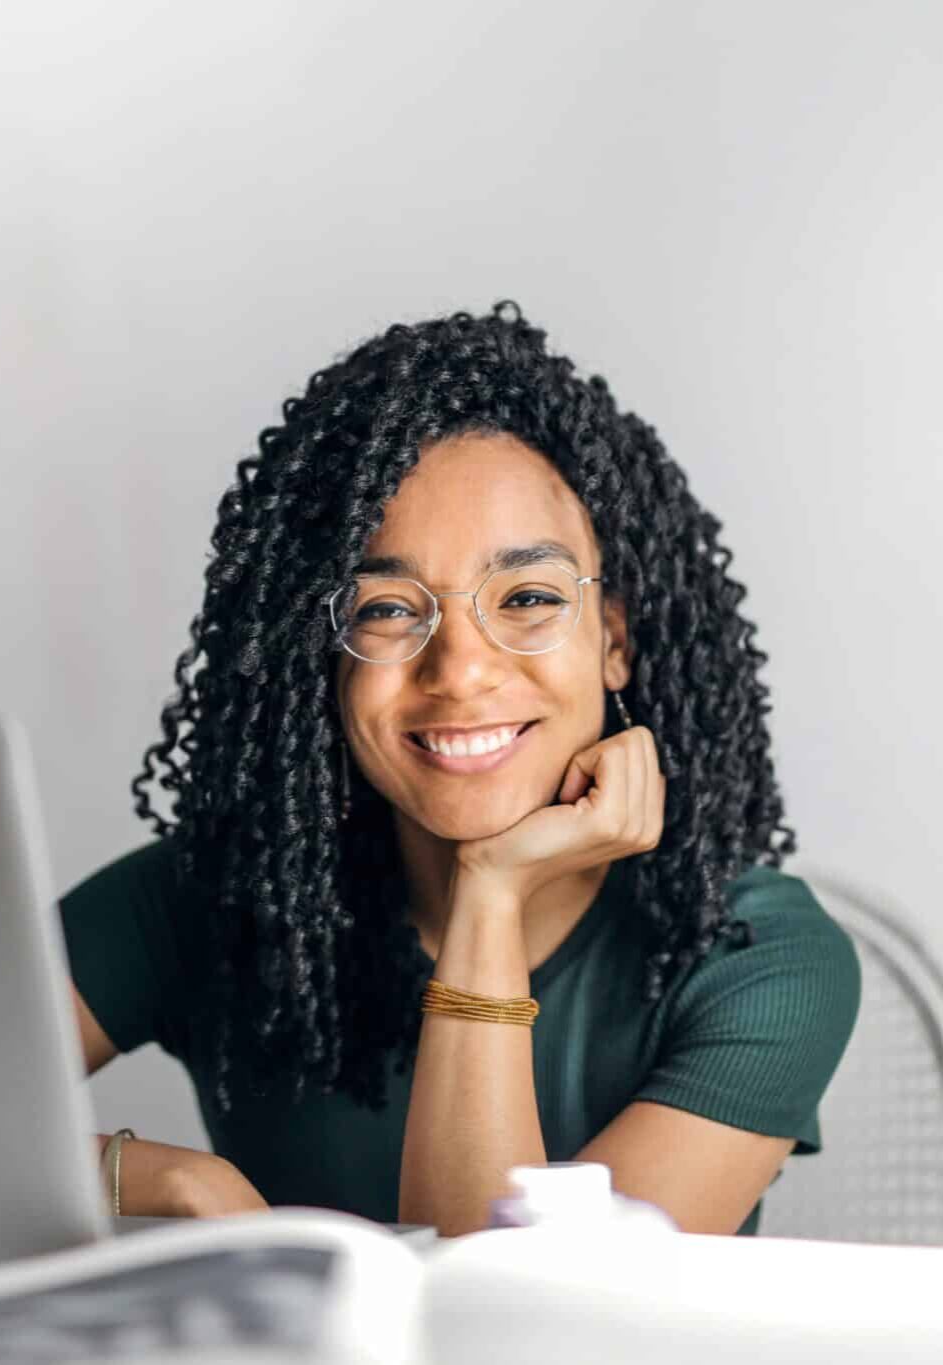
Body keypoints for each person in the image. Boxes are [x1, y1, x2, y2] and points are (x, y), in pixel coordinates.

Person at [59, 302, 860, 1237]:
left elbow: (516, 1330)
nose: (462, 669)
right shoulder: (215, 895)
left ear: (614, 639)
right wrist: (166, 1180)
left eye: (526, 597)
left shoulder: (755, 957)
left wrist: (490, 891)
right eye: (388, 610)